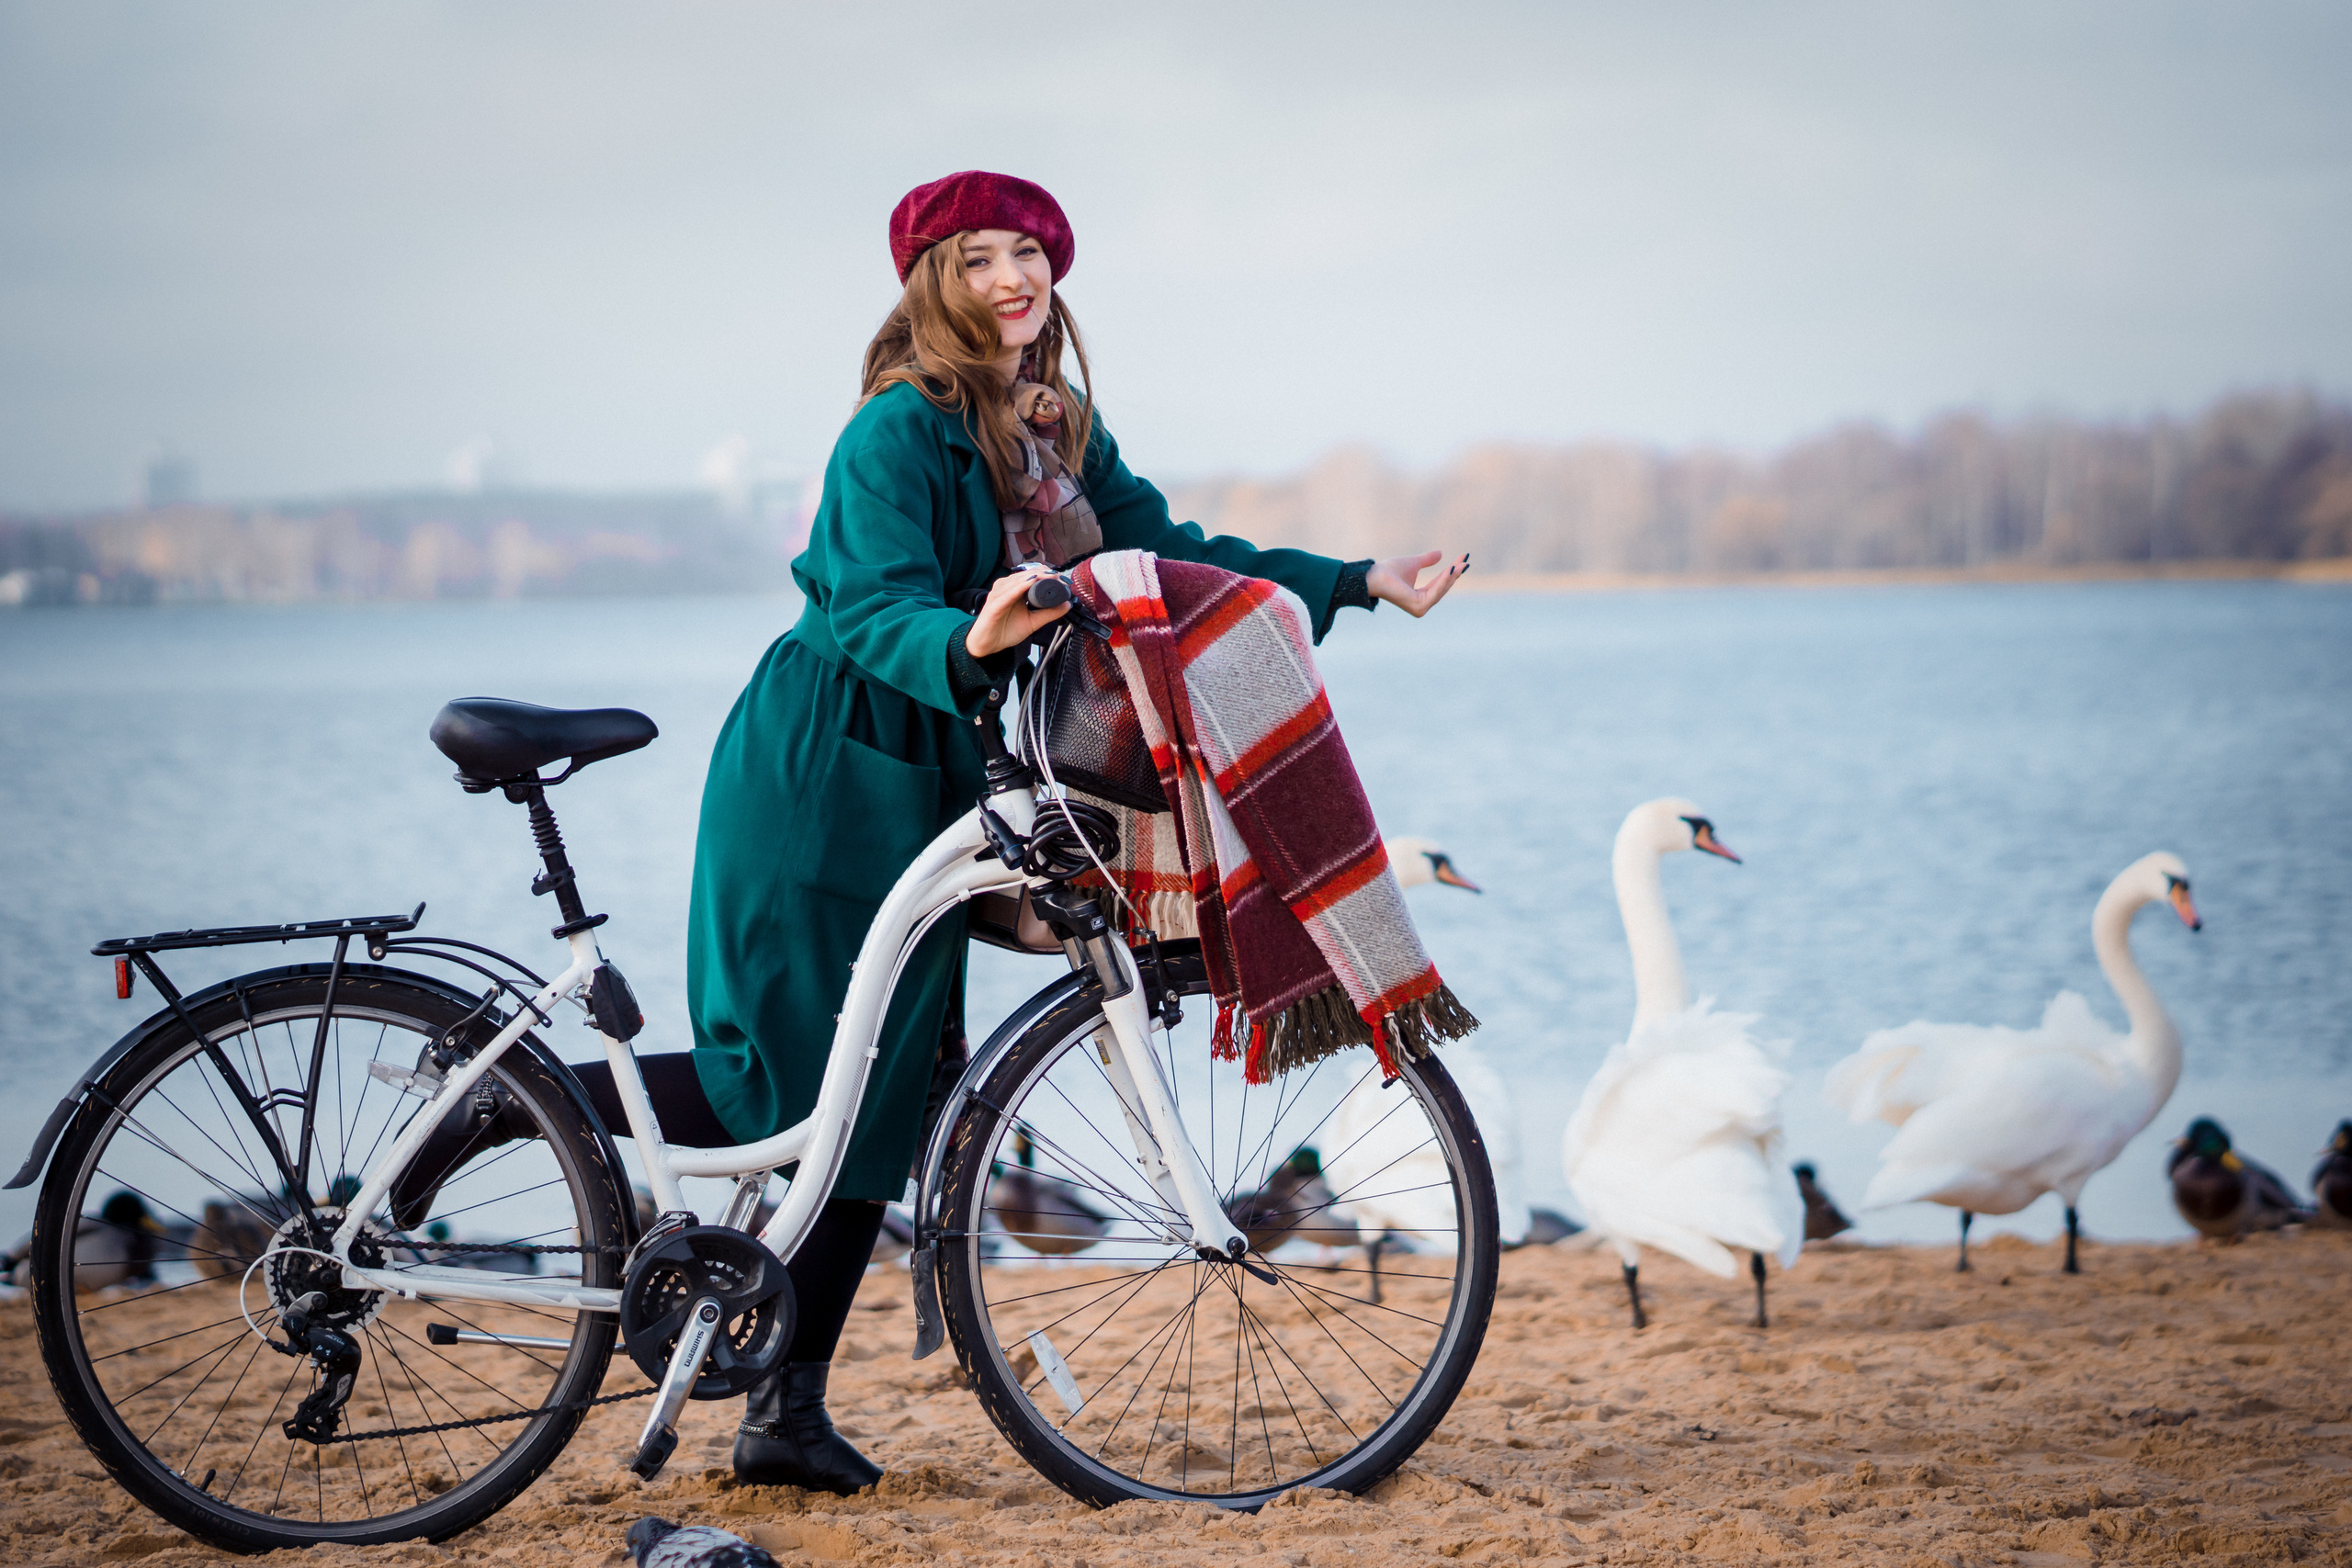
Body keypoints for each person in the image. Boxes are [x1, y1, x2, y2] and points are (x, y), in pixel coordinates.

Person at [421, 170, 1467, 1495]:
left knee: (894, 1090)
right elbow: (866, 603)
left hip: (934, 767)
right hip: (825, 766)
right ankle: (501, 1103)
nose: (1012, 278)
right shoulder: (894, 432)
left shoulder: (1052, 430)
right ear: (931, 281)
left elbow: (1166, 556)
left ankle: (783, 1414)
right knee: (776, 1086)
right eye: (977, 259)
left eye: (1028, 253)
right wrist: (967, 634)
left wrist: (1358, 583)